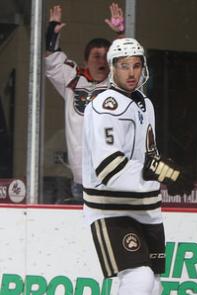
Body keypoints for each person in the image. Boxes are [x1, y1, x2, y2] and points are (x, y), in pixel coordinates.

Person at [82, 37, 194, 295]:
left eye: (136, 65)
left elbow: (146, 153)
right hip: (110, 207)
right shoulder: (106, 103)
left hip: (145, 207)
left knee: (154, 287)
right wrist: (160, 172)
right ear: (112, 69)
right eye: (123, 65)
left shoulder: (144, 102)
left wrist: (163, 171)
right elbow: (109, 166)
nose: (131, 72)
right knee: (138, 275)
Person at [45, 3, 125, 203]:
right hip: (81, 181)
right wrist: (51, 35)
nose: (101, 61)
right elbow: (52, 60)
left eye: (106, 57)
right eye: (96, 56)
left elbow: (129, 64)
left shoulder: (118, 85)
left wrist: (120, 35)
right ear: (86, 60)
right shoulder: (73, 80)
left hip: (113, 180)